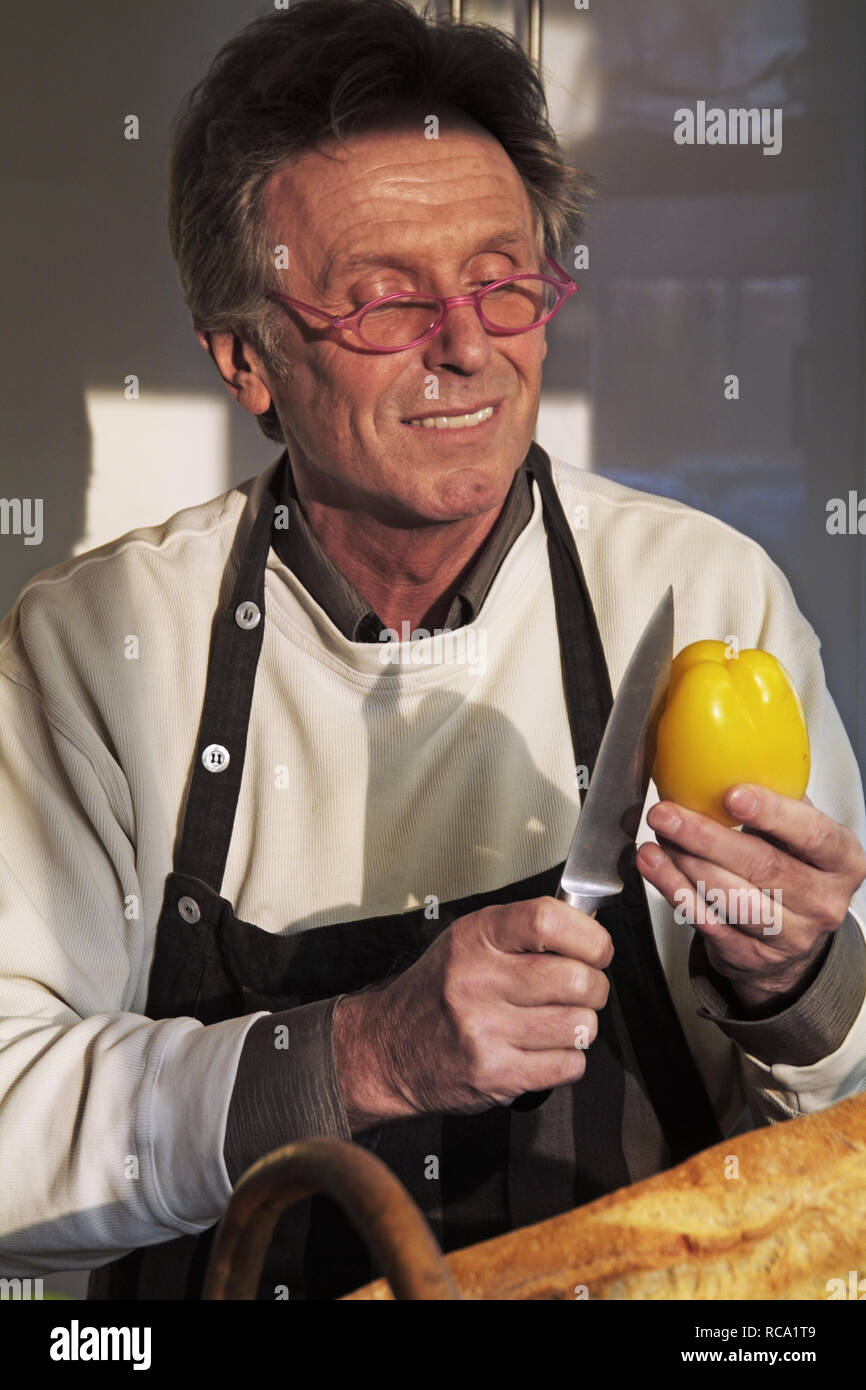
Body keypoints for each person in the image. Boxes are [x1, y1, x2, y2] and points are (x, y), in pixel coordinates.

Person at [1, 0, 864, 1302]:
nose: (466, 344)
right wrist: (357, 1054)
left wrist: (794, 976)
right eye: (381, 301)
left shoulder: (695, 595)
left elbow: (835, 1133)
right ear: (245, 357)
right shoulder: (93, 652)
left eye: (501, 279)